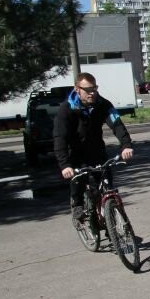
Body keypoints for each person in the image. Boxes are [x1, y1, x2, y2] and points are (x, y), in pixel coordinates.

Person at [54, 72, 134, 220]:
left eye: (94, 89)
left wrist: (126, 145)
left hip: (97, 152)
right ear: (77, 89)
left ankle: (113, 222)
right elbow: (60, 138)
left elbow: (117, 125)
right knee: (78, 182)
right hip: (76, 155)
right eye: (88, 90)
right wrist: (65, 165)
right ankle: (77, 205)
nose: (92, 93)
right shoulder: (66, 109)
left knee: (107, 187)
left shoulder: (103, 104)